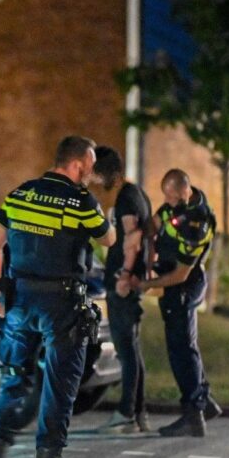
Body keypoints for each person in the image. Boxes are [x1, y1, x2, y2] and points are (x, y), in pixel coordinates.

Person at [0, 136, 115, 458]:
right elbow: (109, 240)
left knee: (13, 377)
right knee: (59, 386)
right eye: (90, 166)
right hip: (61, 304)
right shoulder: (80, 201)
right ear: (78, 164)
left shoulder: (20, 194)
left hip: (19, 299)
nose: (92, 172)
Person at [131, 169, 222, 437]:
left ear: (185, 191)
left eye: (171, 197)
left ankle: (193, 415)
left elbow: (181, 274)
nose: (167, 202)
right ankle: (204, 402)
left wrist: (146, 284)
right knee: (186, 345)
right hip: (175, 281)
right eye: (166, 197)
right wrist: (141, 236)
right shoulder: (176, 205)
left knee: (181, 350)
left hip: (184, 285)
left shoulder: (197, 222)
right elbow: (155, 224)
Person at [91, 146, 152, 434]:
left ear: (106, 173)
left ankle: (127, 413)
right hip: (129, 281)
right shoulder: (137, 194)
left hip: (123, 283)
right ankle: (138, 413)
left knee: (126, 351)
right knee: (132, 350)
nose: (94, 180)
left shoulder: (127, 197)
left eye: (95, 174)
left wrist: (125, 275)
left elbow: (132, 239)